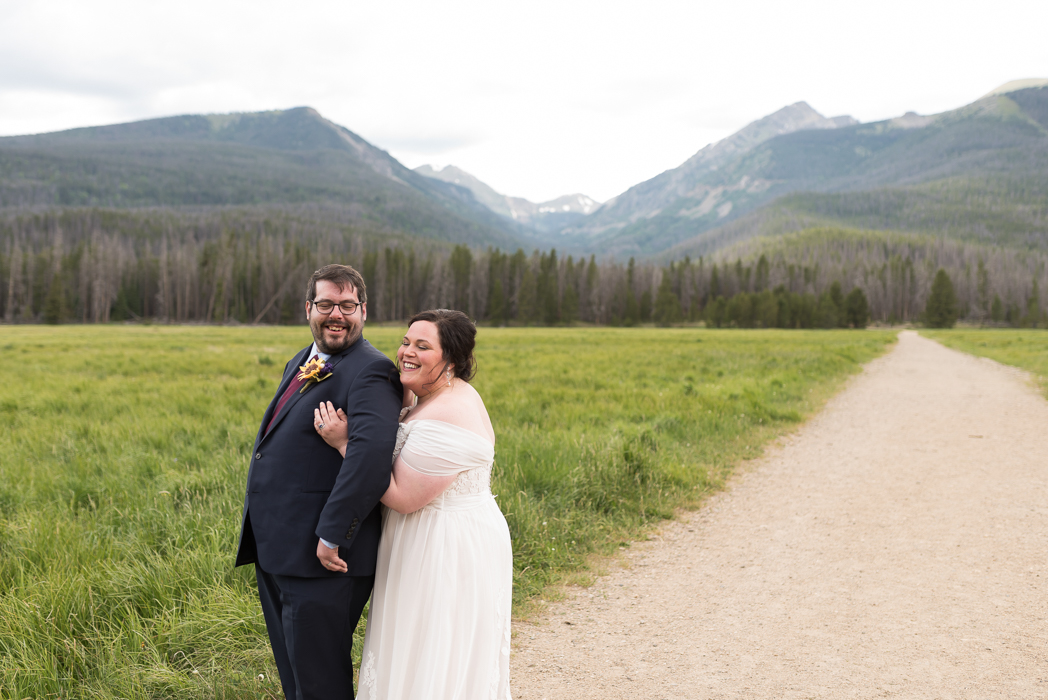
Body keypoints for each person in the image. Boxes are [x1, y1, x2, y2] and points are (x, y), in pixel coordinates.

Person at [314, 309, 512, 700]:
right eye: (406, 341)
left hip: (445, 545)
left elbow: (404, 498)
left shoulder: (451, 414)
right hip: (424, 537)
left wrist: (344, 445)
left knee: (432, 648)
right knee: (411, 643)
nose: (407, 352)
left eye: (423, 346)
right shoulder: (431, 393)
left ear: (451, 361)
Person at [235, 264, 402, 700]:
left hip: (325, 559)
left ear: (363, 311)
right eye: (326, 304)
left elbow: (368, 460)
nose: (336, 314)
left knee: (320, 683)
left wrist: (332, 534)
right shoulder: (302, 359)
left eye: (347, 305)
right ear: (308, 308)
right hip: (280, 551)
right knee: (296, 679)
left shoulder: (373, 371)